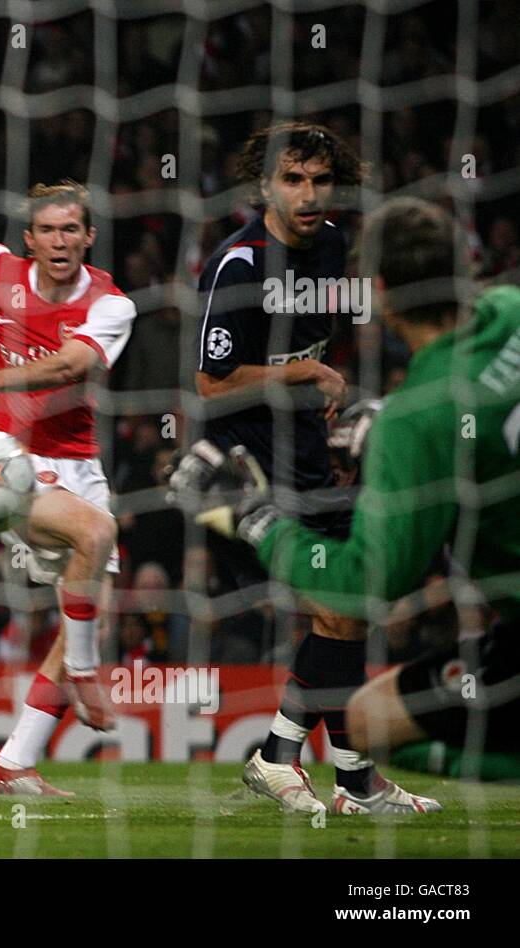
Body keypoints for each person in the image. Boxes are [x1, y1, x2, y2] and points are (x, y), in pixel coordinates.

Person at [177, 197, 520, 808]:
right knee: (339, 625)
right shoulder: (511, 309)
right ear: (468, 267)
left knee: (366, 706)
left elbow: (368, 581)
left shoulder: (418, 422)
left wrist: (254, 520)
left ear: (380, 292)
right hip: (277, 453)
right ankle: (309, 766)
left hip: (267, 483)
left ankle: (298, 762)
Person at [182, 121, 436, 814]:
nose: (309, 192)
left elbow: (312, 348)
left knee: (349, 608)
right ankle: (285, 758)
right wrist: (306, 372)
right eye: (292, 179)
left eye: (321, 179)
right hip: (242, 480)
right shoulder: (238, 265)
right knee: (336, 607)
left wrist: (325, 402)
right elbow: (212, 384)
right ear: (263, 185)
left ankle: (339, 777)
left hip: (307, 467)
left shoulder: (330, 248)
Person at [0, 180, 136, 795]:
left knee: (81, 615)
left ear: (89, 237)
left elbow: (73, 364)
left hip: (80, 466)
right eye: (47, 230)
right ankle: (82, 670)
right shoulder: (0, 271)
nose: (59, 241)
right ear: (29, 239)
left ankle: (13, 763)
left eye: (70, 230)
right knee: (97, 533)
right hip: (9, 462)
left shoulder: (111, 304)